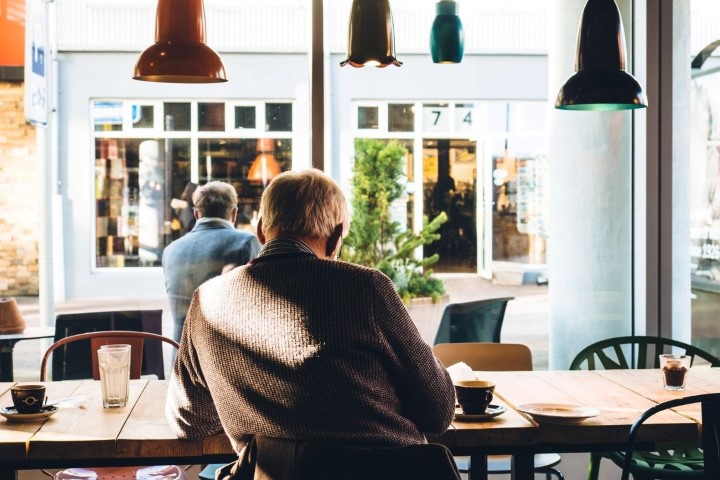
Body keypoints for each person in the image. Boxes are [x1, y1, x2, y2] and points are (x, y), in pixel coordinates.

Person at [165, 169, 455, 460]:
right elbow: (438, 412)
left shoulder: (207, 300)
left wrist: (246, 406)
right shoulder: (366, 288)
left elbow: (188, 421)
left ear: (262, 230)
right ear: (335, 238)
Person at [162, 180, 261, 343]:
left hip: (180, 356)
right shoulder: (246, 243)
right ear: (234, 214)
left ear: (196, 214)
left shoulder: (170, 250)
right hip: (223, 357)